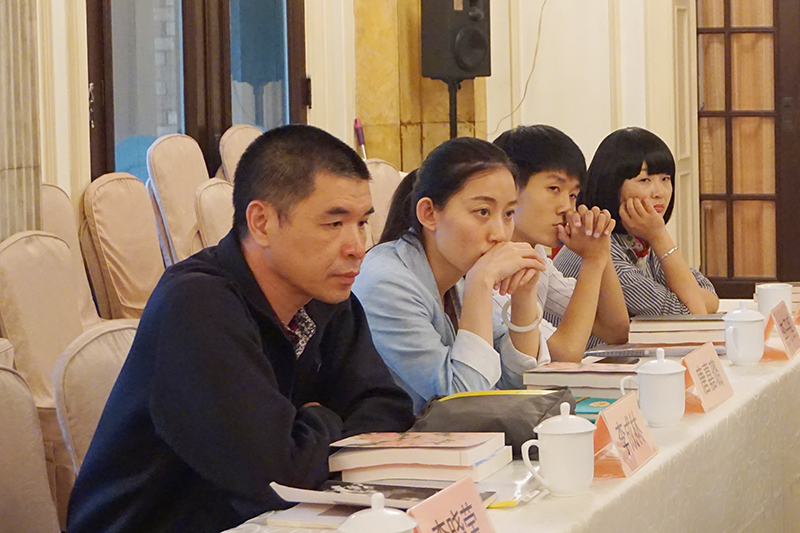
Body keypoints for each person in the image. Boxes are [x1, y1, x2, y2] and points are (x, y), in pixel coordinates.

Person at [66, 125, 415, 533]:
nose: (357, 246)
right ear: (262, 223)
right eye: (334, 224)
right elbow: (278, 479)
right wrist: (327, 419)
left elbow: (387, 410)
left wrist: (311, 427)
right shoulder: (197, 304)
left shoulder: (325, 295)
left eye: (362, 223)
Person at [352, 137, 549, 414]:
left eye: (508, 214)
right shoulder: (386, 283)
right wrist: (480, 285)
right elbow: (464, 404)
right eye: (483, 211)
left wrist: (524, 296)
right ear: (429, 214)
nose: (501, 234)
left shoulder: (459, 274)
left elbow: (516, 384)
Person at [493, 125, 629, 358]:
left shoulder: (534, 253)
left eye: (572, 194)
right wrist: (593, 260)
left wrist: (599, 247)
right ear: (508, 188)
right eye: (554, 188)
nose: (566, 207)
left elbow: (616, 330)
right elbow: (563, 355)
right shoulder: (490, 263)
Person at [553, 127, 718, 316]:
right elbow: (691, 312)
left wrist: (656, 237)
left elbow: (709, 296)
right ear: (612, 186)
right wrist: (659, 235)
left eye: (665, 179)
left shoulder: (639, 241)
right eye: (645, 180)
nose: (660, 192)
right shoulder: (598, 245)